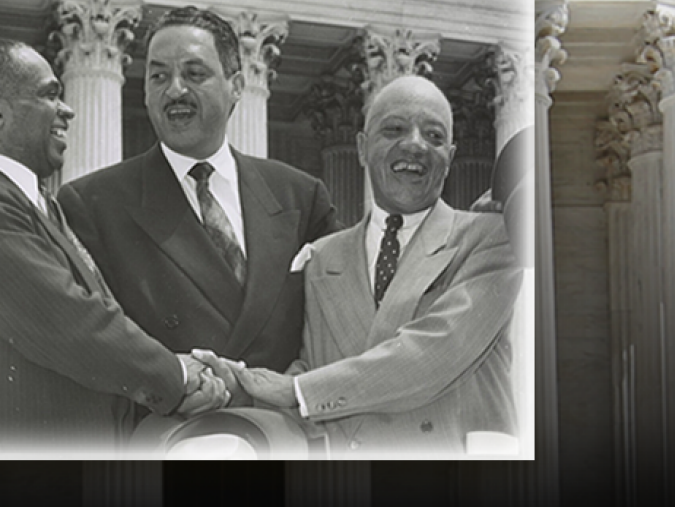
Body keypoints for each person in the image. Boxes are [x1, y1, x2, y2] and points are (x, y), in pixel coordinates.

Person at [0, 38, 226, 457]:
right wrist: (177, 377)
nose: (69, 109)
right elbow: (67, 321)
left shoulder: (41, 207)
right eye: (49, 94)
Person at [198, 75, 524, 458]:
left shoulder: (493, 237)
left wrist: (297, 390)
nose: (415, 144)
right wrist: (244, 387)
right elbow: (314, 367)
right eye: (395, 129)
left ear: (451, 157)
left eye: (434, 136)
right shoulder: (321, 256)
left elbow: (435, 353)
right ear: (362, 148)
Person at [61, 7, 339, 407]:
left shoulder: (300, 195)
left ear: (237, 85)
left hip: (280, 435)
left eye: (194, 74)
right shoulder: (91, 204)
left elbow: (342, 316)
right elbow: (91, 344)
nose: (174, 90)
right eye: (159, 76)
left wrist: (296, 384)